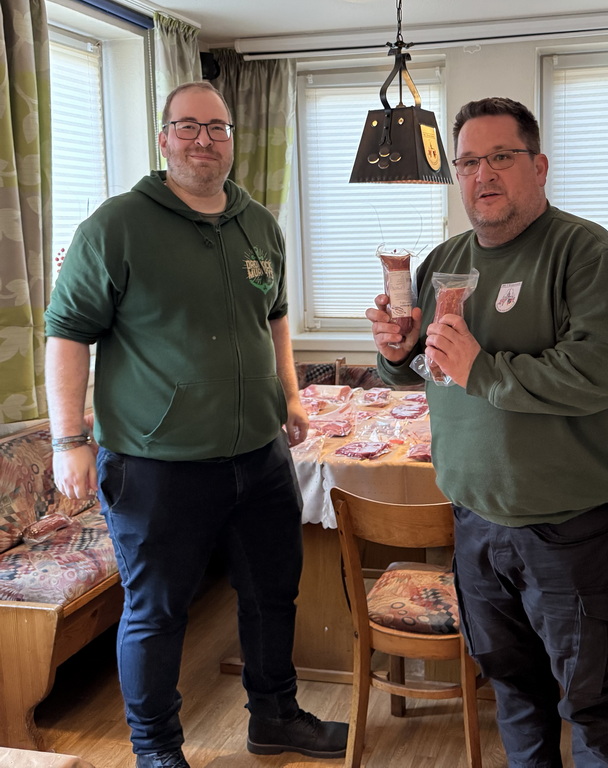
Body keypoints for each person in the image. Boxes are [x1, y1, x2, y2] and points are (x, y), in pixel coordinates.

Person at [44, 81, 347, 768]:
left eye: (217, 127)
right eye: (188, 126)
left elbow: (274, 318)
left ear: (233, 139)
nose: (203, 140)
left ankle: (276, 717)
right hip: (155, 464)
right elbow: (66, 333)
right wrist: (69, 441)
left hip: (259, 456)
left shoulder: (258, 223)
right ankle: (156, 751)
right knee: (157, 614)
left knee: (273, 595)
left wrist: (290, 396)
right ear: (164, 138)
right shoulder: (117, 226)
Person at [365, 96, 608, 767]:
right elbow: (425, 369)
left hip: (573, 529)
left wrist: (484, 371)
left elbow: (607, 372)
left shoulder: (585, 252)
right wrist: (395, 352)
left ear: (538, 166)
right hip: (476, 522)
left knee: (594, 703)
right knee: (513, 696)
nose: (482, 174)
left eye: (501, 157)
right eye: (467, 162)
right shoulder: (443, 261)